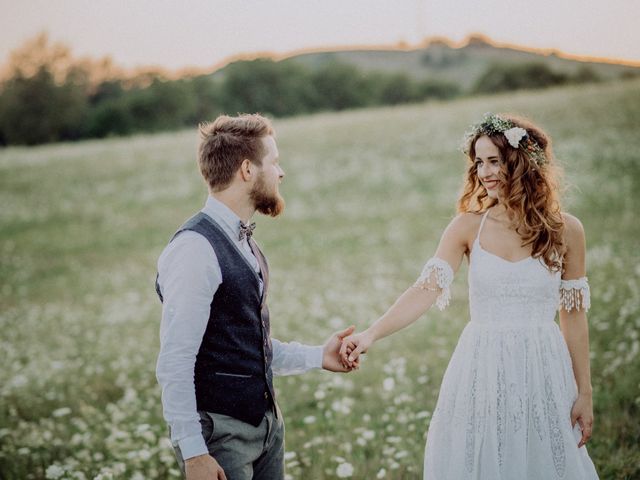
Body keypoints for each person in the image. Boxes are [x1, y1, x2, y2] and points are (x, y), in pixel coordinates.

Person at [340, 113, 599, 479]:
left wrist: (584, 392)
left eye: (494, 161)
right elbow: (425, 288)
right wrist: (370, 334)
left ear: (522, 162)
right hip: (483, 364)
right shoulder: (466, 227)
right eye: (479, 162)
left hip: (543, 367)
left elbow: (573, 316)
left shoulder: (567, 230)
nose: (485, 172)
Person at [155, 114, 357, 480]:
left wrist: (318, 356)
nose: (281, 173)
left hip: (267, 429)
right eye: (274, 162)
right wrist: (193, 452)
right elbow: (176, 359)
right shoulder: (195, 250)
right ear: (247, 169)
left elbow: (246, 344)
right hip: (221, 438)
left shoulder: (243, 241)